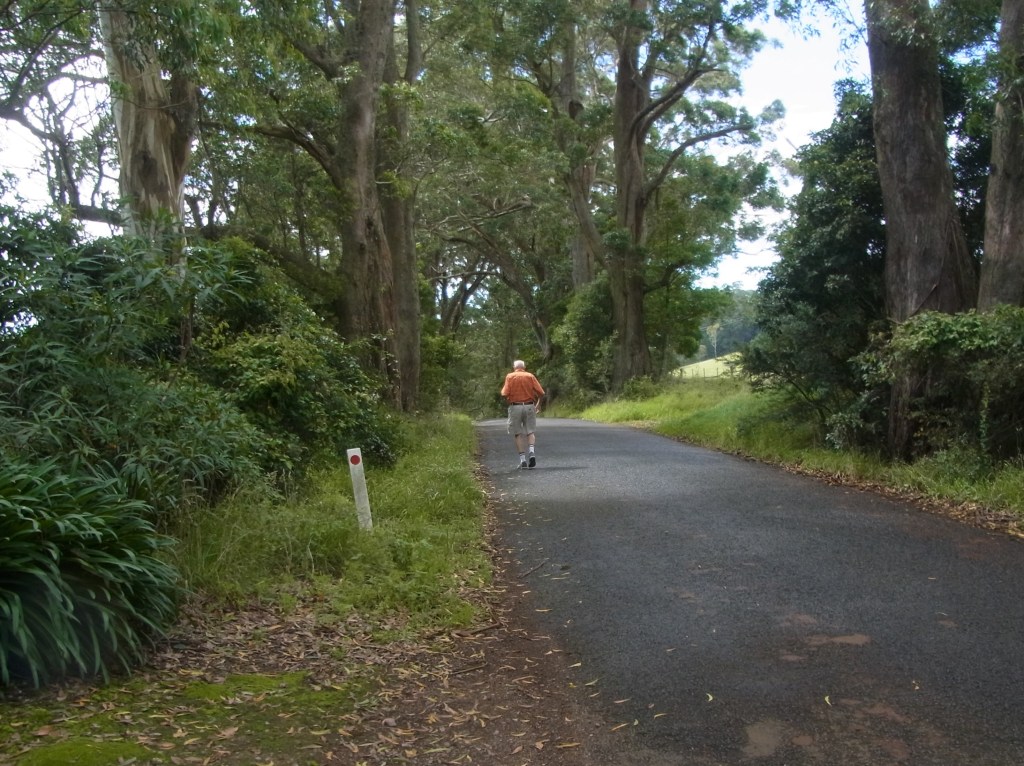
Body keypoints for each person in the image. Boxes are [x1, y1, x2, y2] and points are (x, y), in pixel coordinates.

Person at [501, 360, 545, 469]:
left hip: (515, 406)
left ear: (514, 367)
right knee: (530, 431)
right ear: (524, 367)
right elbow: (541, 393)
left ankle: (523, 460)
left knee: (517, 433)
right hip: (529, 406)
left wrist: (509, 400)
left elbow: (504, 393)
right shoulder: (530, 376)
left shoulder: (510, 376)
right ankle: (531, 452)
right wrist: (538, 405)